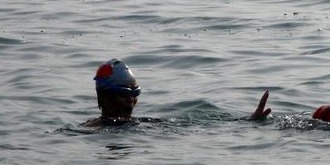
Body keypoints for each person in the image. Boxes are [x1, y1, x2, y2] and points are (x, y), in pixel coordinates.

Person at [83, 58, 270, 127]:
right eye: (124, 94)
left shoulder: (143, 123)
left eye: (135, 94)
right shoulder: (93, 129)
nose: (131, 101)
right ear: (104, 97)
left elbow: (197, 126)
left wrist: (247, 121)